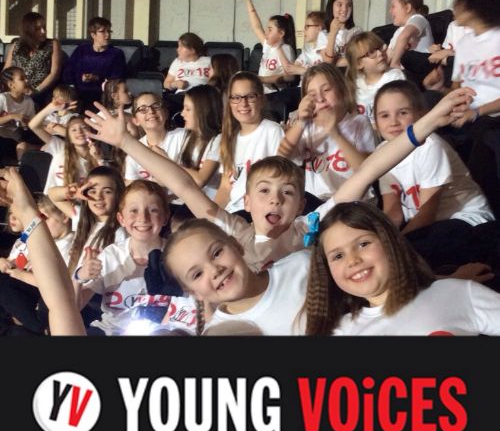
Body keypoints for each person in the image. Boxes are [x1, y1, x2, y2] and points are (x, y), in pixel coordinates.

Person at [82, 84, 476, 273]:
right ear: (246, 201)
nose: (275, 200)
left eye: (287, 193)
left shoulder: (310, 226)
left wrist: (427, 122)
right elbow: (183, 185)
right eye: (265, 191)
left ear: (301, 204)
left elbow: (372, 168)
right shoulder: (233, 233)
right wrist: (126, 142)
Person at [305, 201, 500, 336]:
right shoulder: (340, 332)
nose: (353, 260)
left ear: (390, 242)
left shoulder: (457, 292)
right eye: (338, 256)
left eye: (363, 244)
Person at [374, 79, 494, 270]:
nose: (393, 122)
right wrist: (380, 241)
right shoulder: (382, 152)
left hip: (466, 220)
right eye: (384, 115)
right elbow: (393, 211)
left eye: (403, 113)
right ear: (375, 123)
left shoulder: (430, 145)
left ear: (421, 115)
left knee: (411, 256)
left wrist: (396, 248)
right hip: (427, 226)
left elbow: (427, 213)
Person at [74, 179, 197, 336]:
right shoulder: (111, 256)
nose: (143, 218)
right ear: (121, 219)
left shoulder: (178, 256)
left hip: (162, 330)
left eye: (153, 210)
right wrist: (79, 277)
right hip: (112, 330)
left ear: (165, 217)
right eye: (134, 210)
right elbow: (74, 307)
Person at [163, 218, 310, 335]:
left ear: (236, 245)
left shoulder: (302, 265)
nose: (215, 270)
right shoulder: (218, 334)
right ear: (194, 293)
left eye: (217, 253)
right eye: (198, 274)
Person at [0, 167, 85, 336]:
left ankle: (40, 328)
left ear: (64, 216)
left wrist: (17, 274)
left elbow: (61, 289)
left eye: (44, 218)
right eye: (37, 219)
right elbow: (14, 264)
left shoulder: (72, 245)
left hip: (43, 302)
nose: (39, 225)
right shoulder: (24, 240)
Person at [278, 63, 376, 204]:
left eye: (326, 90)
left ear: (342, 90)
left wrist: (335, 133)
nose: (320, 98)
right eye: (312, 95)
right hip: (316, 203)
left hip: (353, 201)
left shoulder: (359, 122)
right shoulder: (308, 127)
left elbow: (366, 171)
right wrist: (301, 122)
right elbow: (282, 156)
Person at [447, 0, 500, 217]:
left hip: (492, 119)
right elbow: (456, 85)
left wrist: (476, 112)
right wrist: (449, 98)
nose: (454, 5)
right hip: (468, 118)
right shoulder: (465, 42)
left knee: (487, 140)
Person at [47, 165, 127, 326]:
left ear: (118, 195)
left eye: (107, 191)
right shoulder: (82, 219)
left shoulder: (120, 233)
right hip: (71, 288)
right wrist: (71, 192)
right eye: (92, 191)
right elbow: (52, 195)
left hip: (91, 298)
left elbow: (89, 291)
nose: (98, 197)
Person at [216, 71, 284, 214]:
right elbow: (225, 188)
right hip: (231, 213)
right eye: (236, 97)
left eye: (250, 96)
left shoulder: (272, 131)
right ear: (229, 102)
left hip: (256, 212)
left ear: (261, 100)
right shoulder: (229, 139)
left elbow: (280, 181)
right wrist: (211, 218)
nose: (243, 103)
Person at [28, 109, 104, 195]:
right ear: (68, 136)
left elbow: (106, 181)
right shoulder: (60, 147)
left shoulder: (97, 155)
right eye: (74, 130)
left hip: (83, 200)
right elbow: (34, 126)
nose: (79, 131)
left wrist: (99, 159)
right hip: (55, 200)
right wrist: (52, 106)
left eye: (84, 128)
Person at [62, 16, 126, 111]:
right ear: (93, 35)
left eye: (109, 31)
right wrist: (77, 81)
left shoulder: (116, 54)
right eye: (103, 32)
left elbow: (116, 80)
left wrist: (97, 78)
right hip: (78, 94)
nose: (107, 35)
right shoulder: (82, 50)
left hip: (102, 96)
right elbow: (69, 71)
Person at [345, 31, 405, 127]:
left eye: (380, 48)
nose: (380, 53)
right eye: (371, 52)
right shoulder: (355, 84)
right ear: (358, 64)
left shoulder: (394, 77)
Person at [244, 0, 296, 94]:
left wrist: (262, 79)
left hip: (275, 94)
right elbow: (256, 26)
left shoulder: (285, 49)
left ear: (281, 33)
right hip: (262, 93)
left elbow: (290, 76)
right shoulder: (268, 46)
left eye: (270, 29)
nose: (266, 32)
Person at [2, 12, 62, 107]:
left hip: (42, 91)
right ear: (28, 30)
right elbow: (6, 70)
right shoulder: (17, 45)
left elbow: (54, 73)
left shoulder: (52, 44)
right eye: (38, 29)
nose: (43, 31)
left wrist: (36, 90)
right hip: (17, 90)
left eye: (44, 27)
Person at [178, 84, 222, 201]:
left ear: (204, 111)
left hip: (211, 201)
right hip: (190, 198)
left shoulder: (219, 139)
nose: (182, 114)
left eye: (188, 109)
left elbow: (200, 180)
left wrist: (170, 163)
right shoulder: (189, 137)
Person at [386, 0, 434, 87]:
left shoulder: (419, 19)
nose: (390, 11)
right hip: (401, 74)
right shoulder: (398, 31)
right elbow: (389, 55)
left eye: (393, 7)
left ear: (407, 8)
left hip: (417, 73)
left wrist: (395, 63)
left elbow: (405, 36)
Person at [321, 0, 362, 67]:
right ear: (331, 7)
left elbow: (360, 58)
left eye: (349, 5)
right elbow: (328, 62)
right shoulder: (323, 34)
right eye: (340, 5)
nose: (344, 9)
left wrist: (336, 62)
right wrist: (333, 33)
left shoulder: (357, 31)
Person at [0, 67, 36, 150]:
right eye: (22, 78)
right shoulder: (2, 98)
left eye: (26, 77)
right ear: (11, 85)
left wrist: (26, 123)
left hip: (20, 135)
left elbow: (33, 122)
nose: (27, 80)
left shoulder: (29, 101)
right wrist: (12, 116)